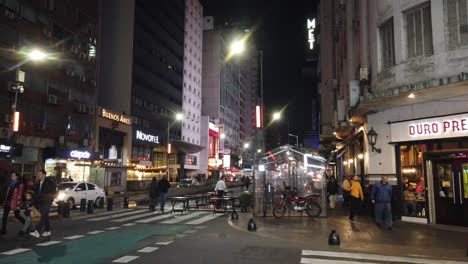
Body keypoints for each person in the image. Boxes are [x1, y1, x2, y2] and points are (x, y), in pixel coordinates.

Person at [30, 170, 56, 238]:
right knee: (45, 216)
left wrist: (50, 199)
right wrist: (34, 204)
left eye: (40, 174)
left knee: (43, 215)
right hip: (41, 202)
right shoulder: (38, 183)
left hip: (47, 202)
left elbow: (53, 191)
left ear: (44, 175)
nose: (38, 175)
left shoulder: (49, 182)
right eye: (38, 174)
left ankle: (37, 231)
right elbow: (36, 194)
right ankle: (48, 230)